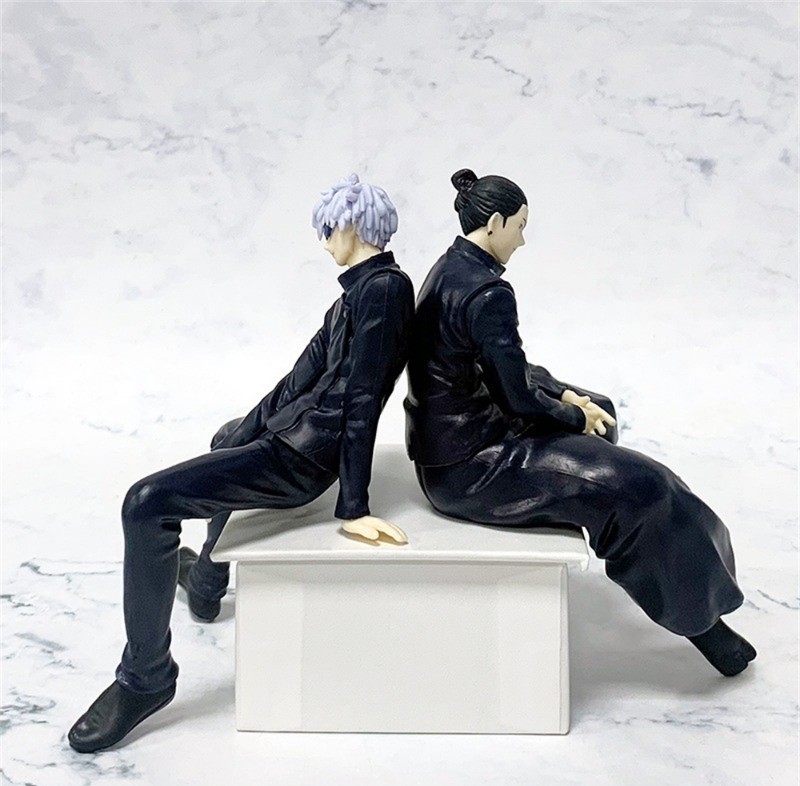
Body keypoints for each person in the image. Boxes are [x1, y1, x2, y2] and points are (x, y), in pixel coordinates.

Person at [68, 174, 415, 753]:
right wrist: (240, 438)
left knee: (145, 504)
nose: (324, 239)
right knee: (225, 436)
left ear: (353, 226)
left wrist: (353, 507)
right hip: (291, 438)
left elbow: (361, 402)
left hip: (302, 460)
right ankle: (207, 583)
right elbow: (296, 380)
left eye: (329, 228)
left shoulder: (383, 292)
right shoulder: (353, 294)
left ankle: (146, 678)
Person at [404, 168, 756, 678]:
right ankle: (704, 628)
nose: (522, 240)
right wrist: (572, 415)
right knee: (647, 489)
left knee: (602, 410)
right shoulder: (487, 293)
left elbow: (495, 369)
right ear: (496, 223)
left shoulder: (450, 268)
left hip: (459, 443)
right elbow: (517, 397)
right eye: (520, 227)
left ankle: (650, 561)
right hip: (473, 465)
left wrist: (568, 397)